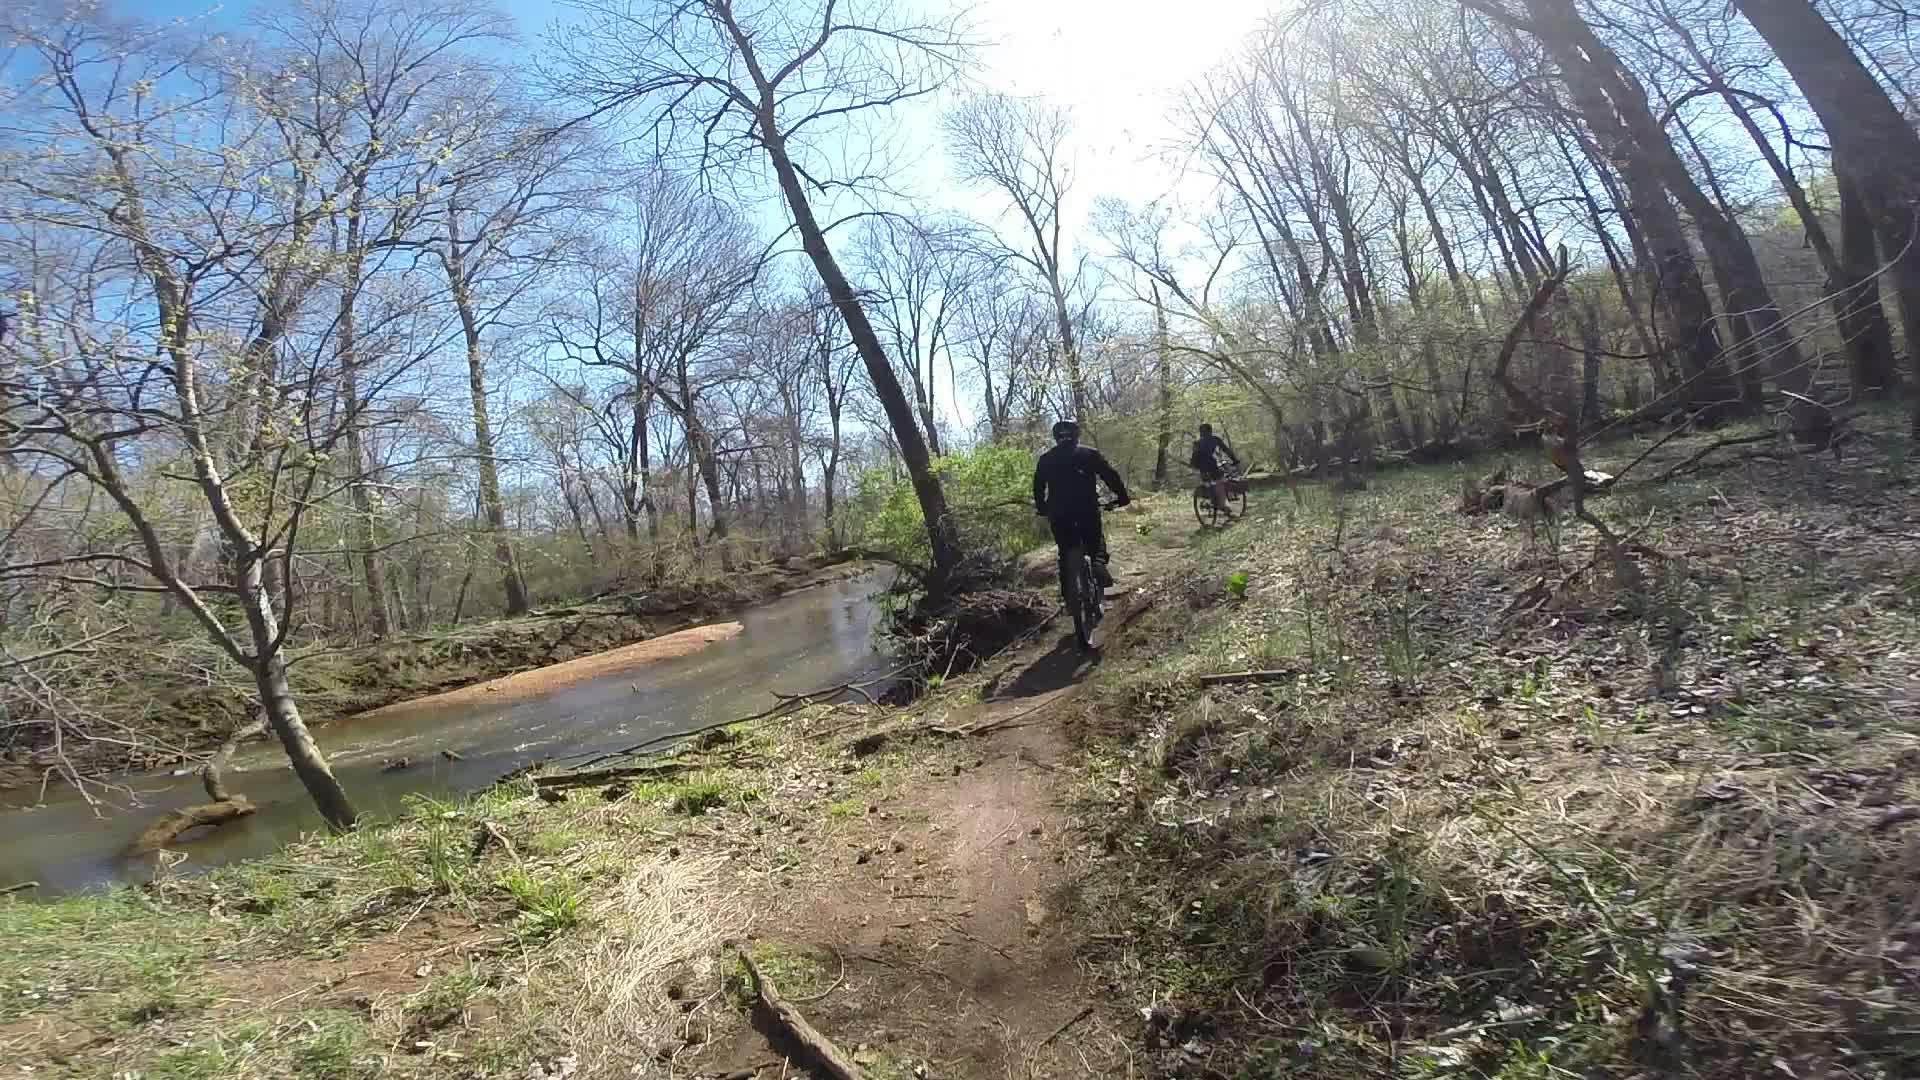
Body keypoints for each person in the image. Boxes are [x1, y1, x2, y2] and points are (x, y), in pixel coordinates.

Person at [1033, 420, 1130, 589]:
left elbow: (1038, 486)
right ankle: (1098, 564)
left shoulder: (1046, 459)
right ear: (1077, 435)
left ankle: (1068, 592)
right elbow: (1110, 476)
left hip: (1059, 512)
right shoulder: (1090, 454)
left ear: (1056, 437)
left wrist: (1042, 507)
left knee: (1065, 550)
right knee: (1095, 542)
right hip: (1087, 508)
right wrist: (1122, 497)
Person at [1189, 423, 1241, 514]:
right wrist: (1235, 460)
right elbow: (1226, 450)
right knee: (1220, 481)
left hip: (1201, 467)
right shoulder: (1215, 439)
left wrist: (1193, 466)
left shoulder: (1197, 442)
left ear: (1201, 432)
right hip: (1211, 464)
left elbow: (1194, 456)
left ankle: (1209, 500)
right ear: (1210, 431)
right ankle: (1223, 504)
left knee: (1207, 482)